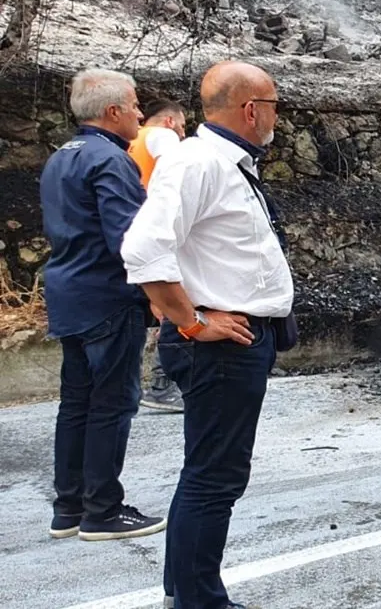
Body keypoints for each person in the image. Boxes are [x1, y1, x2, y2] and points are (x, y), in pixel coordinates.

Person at [122, 61, 294, 609]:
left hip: (238, 342)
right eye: (272, 106)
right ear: (251, 109)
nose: (276, 118)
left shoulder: (226, 163)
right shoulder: (197, 163)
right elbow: (144, 251)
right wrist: (192, 321)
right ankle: (197, 602)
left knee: (214, 475)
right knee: (213, 480)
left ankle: (190, 595)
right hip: (219, 347)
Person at [39, 68, 167, 542]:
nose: (140, 112)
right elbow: (127, 239)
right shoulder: (111, 160)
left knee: (76, 402)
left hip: (68, 293)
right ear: (113, 112)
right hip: (107, 298)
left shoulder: (60, 157)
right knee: (113, 403)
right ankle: (103, 511)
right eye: (134, 104)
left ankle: (68, 507)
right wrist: (159, 293)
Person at [126, 99, 190, 413]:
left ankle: (132, 385)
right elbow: (179, 174)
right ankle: (163, 386)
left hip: (128, 233)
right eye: (182, 124)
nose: (182, 131)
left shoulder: (126, 143)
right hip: (159, 234)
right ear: (168, 121)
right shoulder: (160, 135)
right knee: (172, 308)